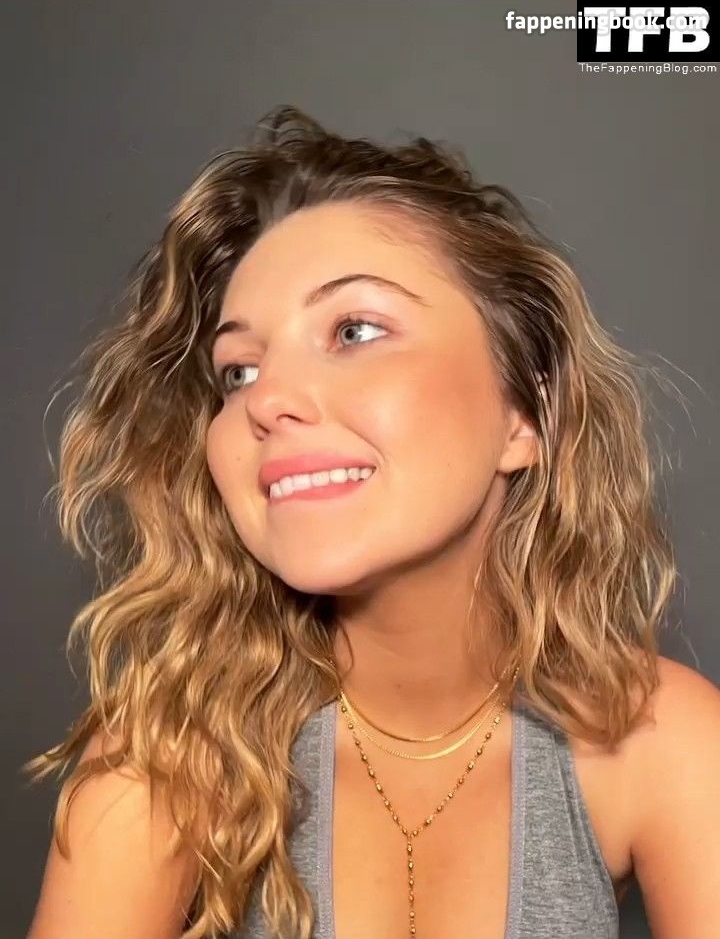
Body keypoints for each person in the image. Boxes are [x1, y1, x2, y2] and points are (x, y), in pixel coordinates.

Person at [24, 105, 720, 939]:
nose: (268, 399)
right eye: (238, 371)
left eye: (354, 329)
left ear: (522, 415)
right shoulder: (169, 753)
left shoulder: (659, 736)